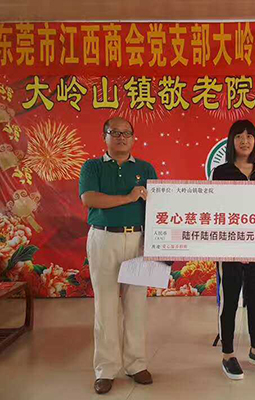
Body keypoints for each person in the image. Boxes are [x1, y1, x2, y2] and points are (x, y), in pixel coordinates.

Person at [79, 117, 157, 395]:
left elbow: (158, 207)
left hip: (138, 240)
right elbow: (90, 199)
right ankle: (105, 369)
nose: (121, 137)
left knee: (137, 304)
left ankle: (136, 364)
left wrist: (156, 244)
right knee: (106, 305)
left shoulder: (146, 168)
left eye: (127, 133)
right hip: (103, 239)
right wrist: (129, 197)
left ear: (134, 138)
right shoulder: (92, 166)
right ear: (105, 137)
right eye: (115, 132)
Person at [211, 120, 255, 380]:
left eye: (249, 136)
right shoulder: (221, 172)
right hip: (230, 245)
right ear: (232, 141)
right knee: (229, 300)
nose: (245, 140)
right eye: (239, 136)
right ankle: (228, 354)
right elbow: (215, 207)